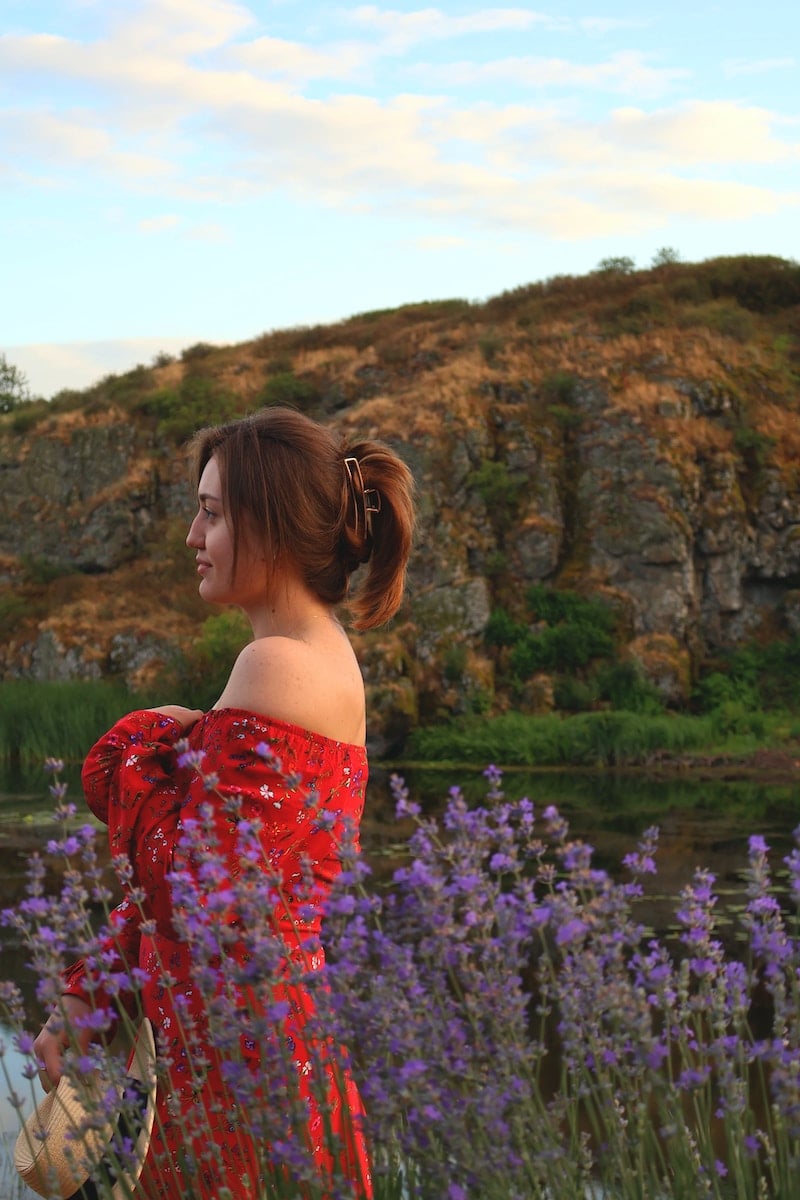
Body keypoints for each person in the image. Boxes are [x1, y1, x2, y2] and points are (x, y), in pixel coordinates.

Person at [32, 406, 415, 1199]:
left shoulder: (279, 663)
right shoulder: (303, 656)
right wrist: (90, 991)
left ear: (268, 529)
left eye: (210, 514)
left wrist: (136, 741)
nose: (190, 537)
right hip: (247, 1046)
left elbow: (185, 888)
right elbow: (204, 896)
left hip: (241, 1067)